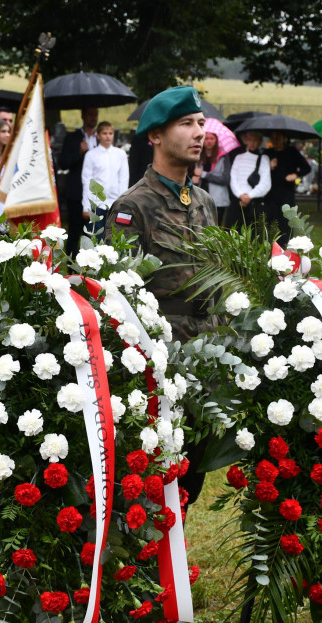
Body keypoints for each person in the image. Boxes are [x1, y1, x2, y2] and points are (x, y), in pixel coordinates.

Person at [105, 84, 216, 534]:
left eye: (201, 124)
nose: (199, 133)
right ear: (154, 135)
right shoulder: (133, 207)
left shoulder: (205, 203)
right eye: (186, 124)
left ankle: (171, 579)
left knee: (192, 473)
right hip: (157, 361)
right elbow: (117, 294)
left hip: (204, 356)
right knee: (150, 475)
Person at [59, 106, 99, 255]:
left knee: (93, 233)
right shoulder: (72, 138)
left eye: (95, 114)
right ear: (83, 116)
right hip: (76, 192)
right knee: (75, 233)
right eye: (90, 114)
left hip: (95, 193)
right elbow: (63, 163)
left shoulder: (100, 138)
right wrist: (79, 152)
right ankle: (71, 268)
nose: (93, 118)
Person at [80, 121, 128, 238]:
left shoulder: (120, 154)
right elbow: (87, 181)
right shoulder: (91, 155)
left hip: (115, 202)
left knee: (115, 237)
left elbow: (123, 179)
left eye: (110, 133)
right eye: (104, 133)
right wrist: (86, 206)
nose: (108, 136)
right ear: (98, 135)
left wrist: (123, 203)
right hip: (96, 203)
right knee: (96, 238)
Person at [265, 130, 311, 245]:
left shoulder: (292, 152)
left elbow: (306, 168)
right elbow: (258, 172)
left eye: (278, 138)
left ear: (284, 138)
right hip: (270, 193)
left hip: (286, 192)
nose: (275, 141)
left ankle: (285, 245)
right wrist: (269, 166)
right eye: (273, 138)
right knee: (270, 221)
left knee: (286, 221)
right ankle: (270, 246)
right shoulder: (267, 153)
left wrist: (295, 174)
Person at [225, 127, 271, 229]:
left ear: (260, 141)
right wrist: (241, 195)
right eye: (250, 140)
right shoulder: (238, 157)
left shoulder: (264, 159)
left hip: (255, 202)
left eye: (255, 140)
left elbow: (265, 183)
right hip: (238, 201)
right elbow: (233, 179)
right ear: (246, 140)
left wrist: (249, 196)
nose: (252, 143)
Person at [193, 127, 230, 224]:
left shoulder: (223, 157)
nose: (208, 141)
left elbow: (225, 179)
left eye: (211, 138)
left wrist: (203, 174)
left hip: (218, 200)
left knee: (215, 227)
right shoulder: (198, 156)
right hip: (200, 198)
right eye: (206, 138)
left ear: (216, 140)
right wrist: (194, 180)